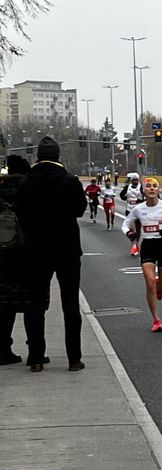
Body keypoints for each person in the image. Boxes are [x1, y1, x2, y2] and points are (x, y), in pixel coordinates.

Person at [16, 136, 87, 372]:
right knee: (70, 304)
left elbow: (20, 214)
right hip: (66, 248)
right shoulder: (70, 181)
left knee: (35, 304)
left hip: (36, 249)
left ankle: (36, 357)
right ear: (58, 156)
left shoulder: (25, 183)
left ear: (37, 156)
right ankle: (74, 358)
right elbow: (79, 210)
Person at [122, 177, 162, 333]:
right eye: (148, 186)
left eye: (154, 186)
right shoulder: (138, 209)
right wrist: (128, 232)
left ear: (158, 190)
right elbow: (125, 223)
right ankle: (156, 320)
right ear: (144, 190)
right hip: (148, 245)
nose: (151, 189)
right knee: (149, 283)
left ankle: (160, 286)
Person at [0, 155, 32, 365]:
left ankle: (4, 348)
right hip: (26, 254)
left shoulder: (1, 190)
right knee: (33, 304)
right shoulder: (30, 190)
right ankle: (36, 350)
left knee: (4, 306)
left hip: (2, 254)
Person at [120, 172, 145, 255]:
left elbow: (146, 197)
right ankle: (134, 244)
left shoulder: (141, 187)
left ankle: (136, 244)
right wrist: (125, 196)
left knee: (138, 229)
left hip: (138, 210)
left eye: (136, 180)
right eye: (133, 180)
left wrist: (140, 201)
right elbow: (121, 196)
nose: (135, 181)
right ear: (131, 181)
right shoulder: (128, 187)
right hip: (129, 210)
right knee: (131, 229)